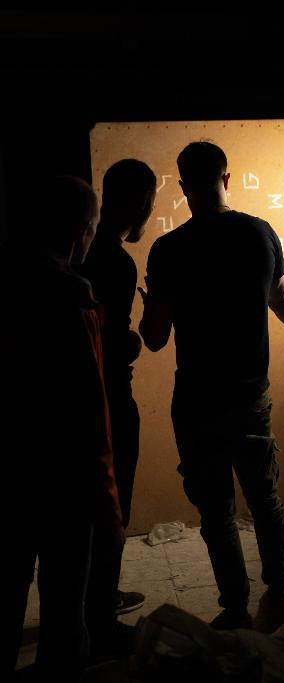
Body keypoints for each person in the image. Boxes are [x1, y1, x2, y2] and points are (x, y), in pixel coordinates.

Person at [138, 141, 284, 632]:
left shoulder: (169, 249)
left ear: (183, 186)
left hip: (198, 399)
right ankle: (278, 591)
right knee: (265, 498)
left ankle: (235, 607)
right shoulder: (260, 233)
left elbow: (155, 339)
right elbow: (280, 295)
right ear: (227, 177)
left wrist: (150, 305)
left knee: (216, 512)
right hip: (250, 393)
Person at [0, 175, 122, 683]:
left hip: (8, 476)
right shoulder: (71, 296)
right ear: (79, 231)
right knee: (64, 608)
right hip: (61, 484)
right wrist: (109, 504)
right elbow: (90, 414)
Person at [81, 159, 157, 625]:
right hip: (109, 401)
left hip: (74, 402)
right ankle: (101, 612)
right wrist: (135, 339)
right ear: (144, 201)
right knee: (112, 506)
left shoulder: (82, 253)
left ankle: (85, 606)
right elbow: (113, 343)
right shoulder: (119, 263)